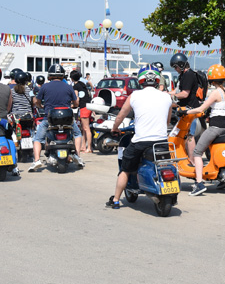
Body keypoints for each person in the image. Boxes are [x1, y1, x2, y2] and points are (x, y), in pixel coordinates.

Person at [106, 65, 173, 209]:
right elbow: (167, 121)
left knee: (125, 169)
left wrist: (115, 128)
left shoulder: (134, 96)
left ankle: (116, 200)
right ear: (156, 80)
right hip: (161, 142)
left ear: (141, 80)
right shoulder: (166, 97)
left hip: (140, 142)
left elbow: (121, 115)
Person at [178, 64, 225, 197]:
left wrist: (185, 111)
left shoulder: (215, 93)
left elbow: (200, 109)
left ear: (211, 79)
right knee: (214, 150)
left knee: (197, 152)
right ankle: (223, 178)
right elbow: (218, 108)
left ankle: (199, 183)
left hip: (215, 128)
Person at [28, 64, 84, 171]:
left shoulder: (44, 87)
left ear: (50, 75)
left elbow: (37, 102)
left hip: (50, 119)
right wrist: (72, 105)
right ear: (62, 75)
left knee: (38, 139)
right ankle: (77, 155)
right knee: (77, 134)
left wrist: (41, 106)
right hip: (67, 119)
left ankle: (36, 161)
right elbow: (76, 102)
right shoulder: (68, 87)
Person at [170, 53, 201, 156]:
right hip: (184, 110)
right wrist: (166, 94)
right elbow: (178, 91)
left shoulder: (189, 75)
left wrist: (173, 97)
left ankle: (192, 160)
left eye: (176, 67)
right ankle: (185, 156)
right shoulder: (183, 75)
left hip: (189, 111)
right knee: (184, 135)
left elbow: (184, 94)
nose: (175, 69)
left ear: (182, 65)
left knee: (189, 136)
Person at [70, 70, 93, 153]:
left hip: (84, 107)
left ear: (71, 78)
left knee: (86, 128)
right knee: (83, 128)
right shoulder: (82, 84)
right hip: (88, 106)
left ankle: (89, 147)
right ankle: (83, 146)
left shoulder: (75, 86)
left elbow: (76, 99)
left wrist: (72, 105)